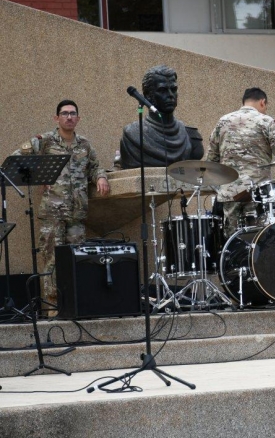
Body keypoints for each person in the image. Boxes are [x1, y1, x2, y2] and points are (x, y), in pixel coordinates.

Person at [13, 100, 110, 310]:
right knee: (52, 260)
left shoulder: (84, 144)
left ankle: (74, 304)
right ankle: (52, 308)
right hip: (52, 213)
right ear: (56, 118)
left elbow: (95, 166)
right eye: (64, 113)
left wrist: (101, 178)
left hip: (76, 213)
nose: (69, 117)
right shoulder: (45, 141)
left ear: (78, 118)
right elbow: (16, 160)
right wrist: (39, 175)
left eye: (73, 113)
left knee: (77, 258)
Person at [206, 87, 275, 236]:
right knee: (257, 239)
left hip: (229, 194)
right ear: (262, 102)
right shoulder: (266, 122)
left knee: (233, 242)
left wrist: (219, 188)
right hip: (257, 193)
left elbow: (211, 160)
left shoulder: (222, 122)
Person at [119, 65, 204, 169]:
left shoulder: (191, 136)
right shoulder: (133, 135)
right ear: (148, 95)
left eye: (173, 89)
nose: (170, 95)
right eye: (163, 90)